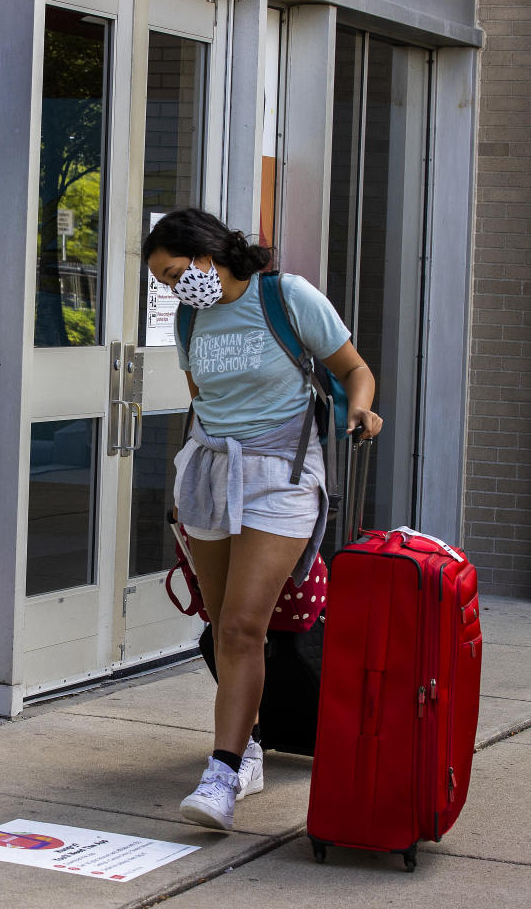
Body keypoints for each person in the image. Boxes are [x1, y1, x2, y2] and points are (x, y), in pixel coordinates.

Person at [145, 208, 383, 831]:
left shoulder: (286, 295)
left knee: (247, 623)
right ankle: (245, 749)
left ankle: (220, 775)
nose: (174, 289)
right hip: (213, 471)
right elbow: (204, 397)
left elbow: (353, 369)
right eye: (165, 283)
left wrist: (360, 410)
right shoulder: (190, 318)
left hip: (284, 471)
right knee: (224, 626)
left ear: (206, 253)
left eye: (175, 273)